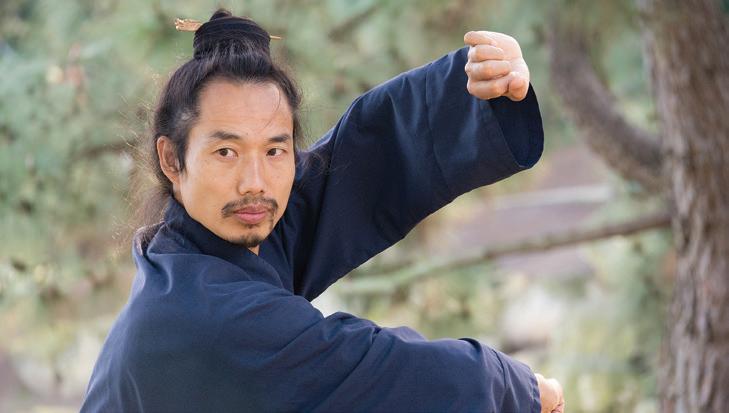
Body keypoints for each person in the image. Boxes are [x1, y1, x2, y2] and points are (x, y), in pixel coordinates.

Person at [81, 8, 564, 413]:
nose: (255, 182)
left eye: (275, 150)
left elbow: (353, 170)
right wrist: (520, 389)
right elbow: (386, 373)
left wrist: (480, 90)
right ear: (172, 160)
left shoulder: (190, 251)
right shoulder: (206, 318)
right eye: (226, 152)